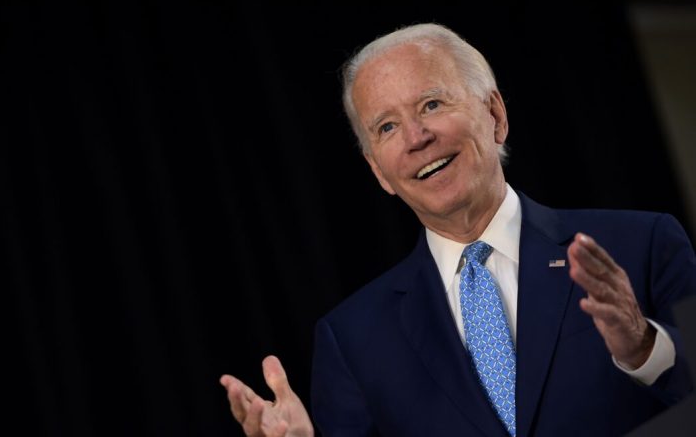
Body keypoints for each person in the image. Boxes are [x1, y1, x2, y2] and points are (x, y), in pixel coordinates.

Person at [219, 23, 695, 436]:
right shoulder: (352, 340)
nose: (416, 138)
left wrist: (645, 349)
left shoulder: (644, 245)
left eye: (431, 104)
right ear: (378, 172)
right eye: (386, 127)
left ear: (495, 115)